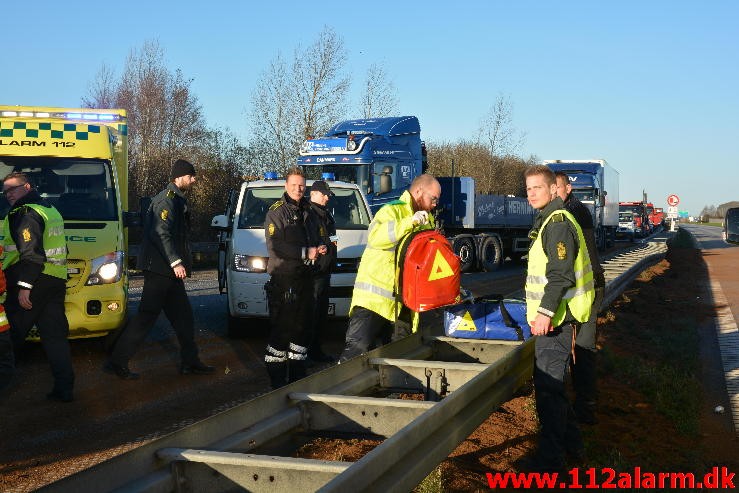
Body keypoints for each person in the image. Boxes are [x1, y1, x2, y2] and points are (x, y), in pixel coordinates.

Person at [105, 159, 214, 380]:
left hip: (169, 273)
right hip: (160, 271)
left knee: (184, 317)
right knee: (146, 317)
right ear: (179, 177)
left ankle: (190, 362)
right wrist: (176, 261)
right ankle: (117, 362)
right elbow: (160, 233)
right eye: (190, 176)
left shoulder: (176, 200)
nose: (193, 180)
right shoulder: (166, 200)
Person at [523, 165, 595, 471]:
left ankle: (551, 462)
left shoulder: (558, 223)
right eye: (527, 189)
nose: (531, 194)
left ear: (554, 189)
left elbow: (560, 275)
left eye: (537, 188)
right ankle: (573, 445)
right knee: (552, 388)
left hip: (556, 322)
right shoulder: (548, 220)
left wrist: (545, 312)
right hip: (556, 320)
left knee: (549, 391)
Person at [339, 174, 441, 362]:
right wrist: (410, 222)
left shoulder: (428, 220)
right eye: (433, 198)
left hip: (404, 301)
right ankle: (337, 390)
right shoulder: (392, 211)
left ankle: (390, 392)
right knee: (358, 351)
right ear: (418, 191)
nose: (435, 204)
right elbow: (376, 237)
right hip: (375, 299)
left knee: (399, 355)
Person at [1, 172, 74, 402]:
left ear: (27, 186)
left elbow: (32, 255)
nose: (8, 194)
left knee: (9, 335)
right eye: (5, 191)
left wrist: (25, 287)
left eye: (13, 189)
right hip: (55, 280)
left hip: (32, 281)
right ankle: (64, 389)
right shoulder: (49, 209)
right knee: (54, 336)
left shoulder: (25, 213)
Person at [554, 171, 606, 424]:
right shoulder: (567, 211)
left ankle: (586, 407)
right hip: (580, 287)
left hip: (585, 289)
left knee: (582, 348)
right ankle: (581, 403)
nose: (554, 193)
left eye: (558, 188)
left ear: (568, 189)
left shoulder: (571, 213)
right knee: (575, 347)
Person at [263, 167, 320, 388]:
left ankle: (297, 375)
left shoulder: (308, 210)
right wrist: (306, 253)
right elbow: (275, 246)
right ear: (286, 186)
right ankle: (277, 379)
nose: (298, 189)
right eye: (294, 185)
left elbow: (314, 236)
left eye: (302, 185)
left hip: (305, 277)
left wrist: (319, 248)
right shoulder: (276, 212)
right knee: (282, 329)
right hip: (284, 279)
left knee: (302, 328)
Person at [306, 180, 337, 363]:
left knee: (321, 316)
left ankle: (316, 351)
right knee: (311, 315)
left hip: (325, 271)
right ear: (314, 193)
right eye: (324, 194)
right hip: (313, 273)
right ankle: (307, 354)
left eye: (328, 194)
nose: (327, 197)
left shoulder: (325, 214)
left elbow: (332, 238)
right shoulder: (308, 214)